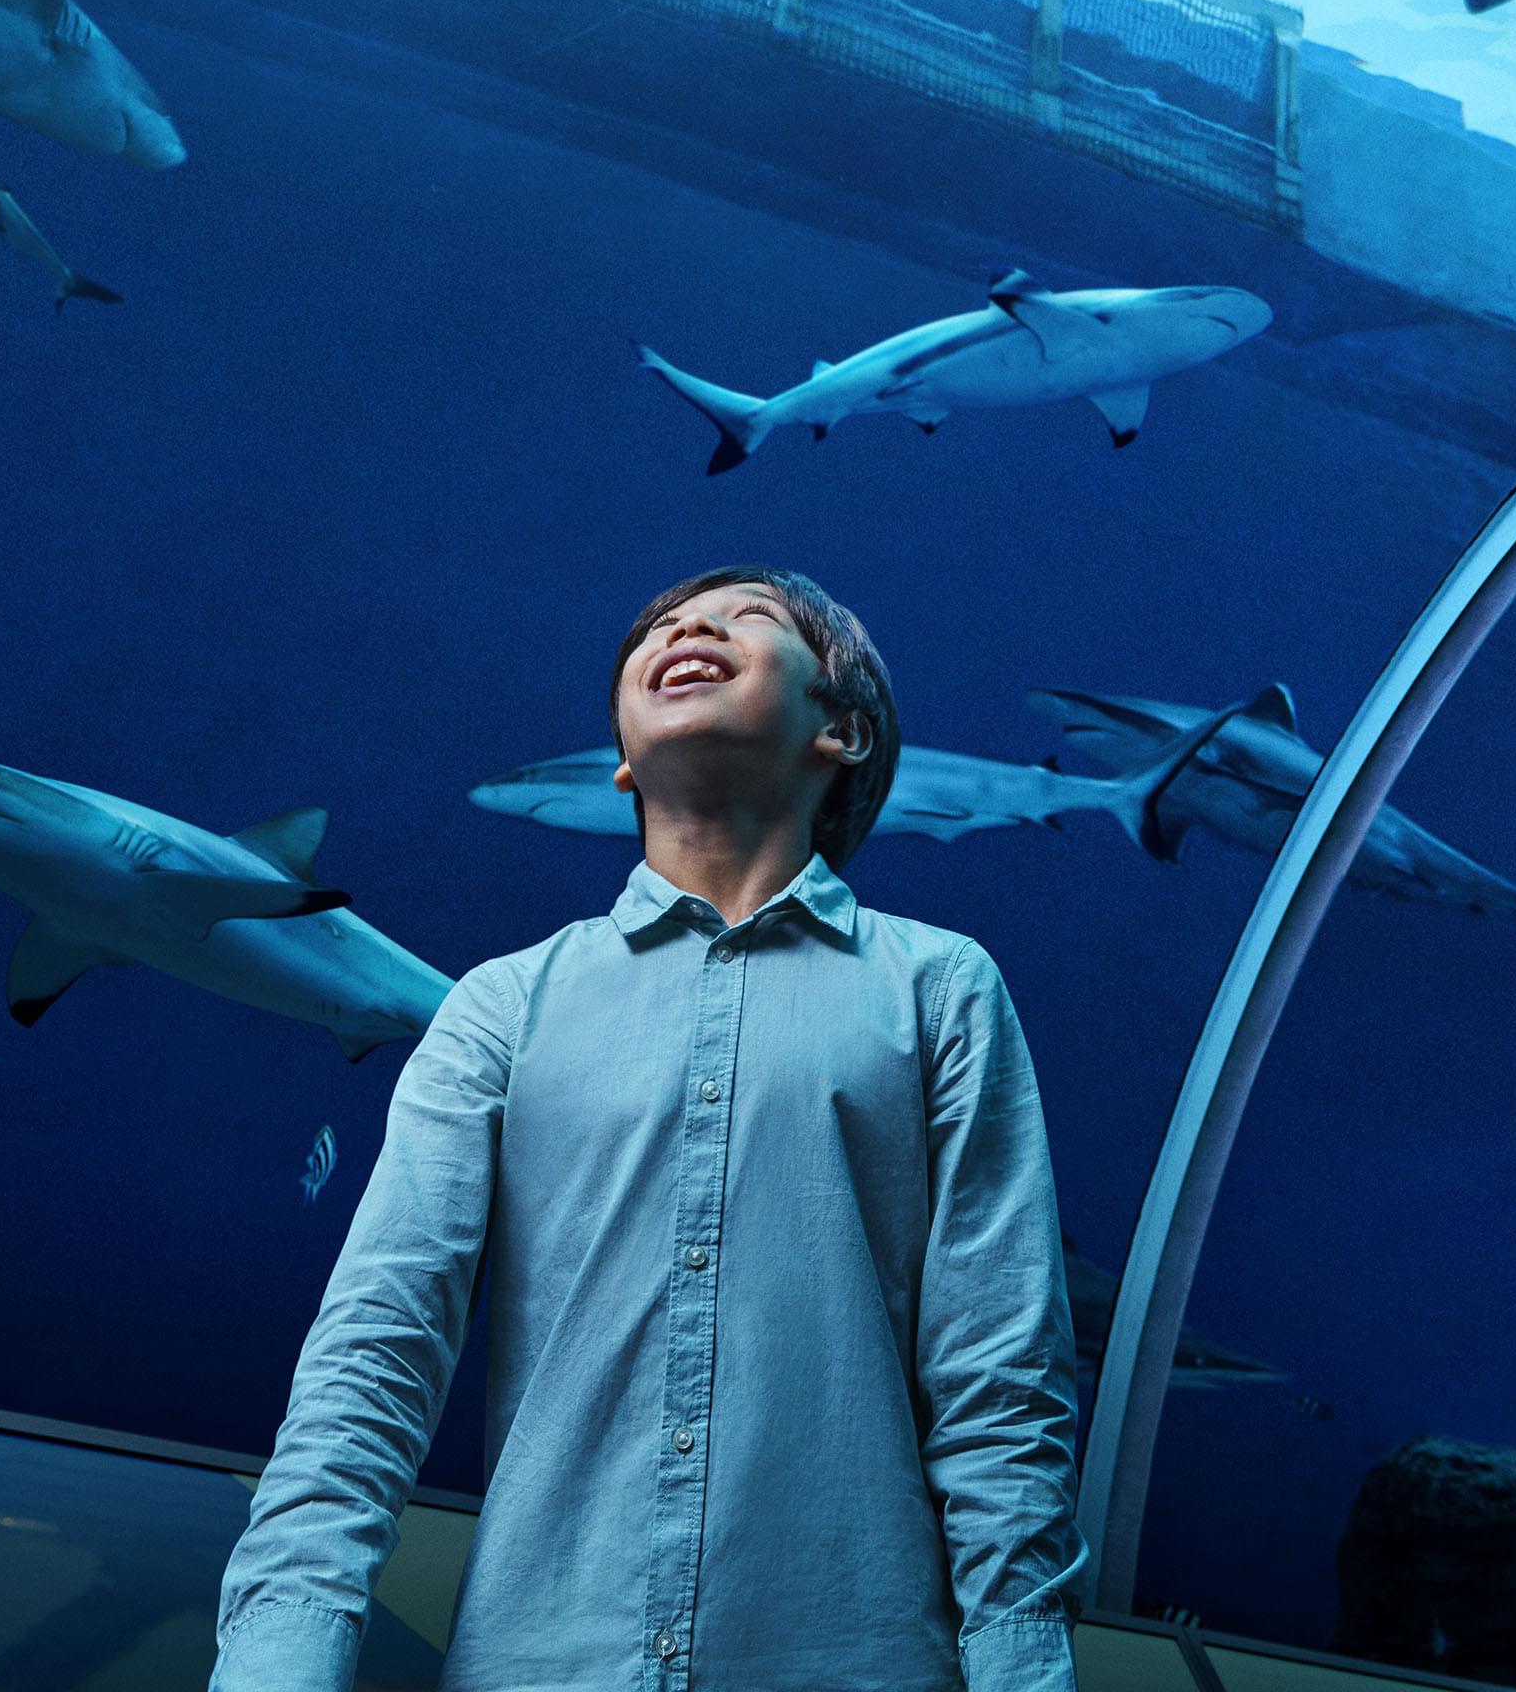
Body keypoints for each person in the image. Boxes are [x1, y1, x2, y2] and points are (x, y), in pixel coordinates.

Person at [212, 568, 1083, 1692]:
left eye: (750, 617)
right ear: (621, 757)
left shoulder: (942, 990)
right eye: (661, 626)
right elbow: (371, 1355)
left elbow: (1000, 1381)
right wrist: (277, 1660)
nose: (689, 626)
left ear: (846, 731)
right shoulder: (500, 1006)